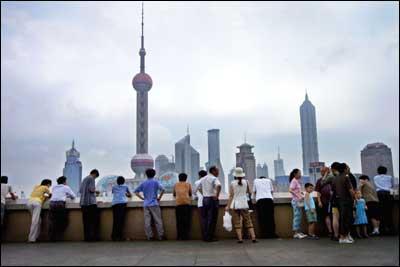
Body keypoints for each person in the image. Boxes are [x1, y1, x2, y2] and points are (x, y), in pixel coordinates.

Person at [225, 167, 257, 243]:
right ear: (242, 175)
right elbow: (249, 192)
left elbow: (231, 196)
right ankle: (253, 238)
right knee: (248, 221)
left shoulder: (232, 183)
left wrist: (228, 206)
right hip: (244, 204)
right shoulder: (246, 182)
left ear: (235, 175)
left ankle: (240, 239)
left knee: (237, 222)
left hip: (235, 205)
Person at [134, 168, 166, 241]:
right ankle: (161, 235)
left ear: (146, 174)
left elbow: (136, 192)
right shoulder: (156, 182)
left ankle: (150, 236)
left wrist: (142, 198)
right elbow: (163, 189)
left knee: (147, 221)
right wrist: (159, 198)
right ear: (154, 174)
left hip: (146, 204)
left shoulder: (143, 183)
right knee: (158, 220)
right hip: (154, 203)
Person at [332, 163, 355, 244]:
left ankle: (344, 237)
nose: (348, 169)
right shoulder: (346, 178)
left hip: (338, 200)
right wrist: (354, 198)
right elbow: (351, 191)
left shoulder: (335, 178)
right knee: (346, 219)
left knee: (342, 218)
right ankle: (343, 237)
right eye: (347, 167)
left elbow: (332, 191)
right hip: (346, 200)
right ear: (345, 169)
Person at [198, 166, 221, 242]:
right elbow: (219, 185)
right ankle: (210, 237)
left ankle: (205, 236)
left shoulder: (203, 178)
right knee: (212, 219)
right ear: (213, 171)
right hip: (212, 199)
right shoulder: (214, 178)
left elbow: (198, 187)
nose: (218, 172)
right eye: (217, 171)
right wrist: (217, 196)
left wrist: (204, 194)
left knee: (205, 218)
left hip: (205, 199)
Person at [48, 176, 76, 241]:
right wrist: (67, 195)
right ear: (64, 181)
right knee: (63, 220)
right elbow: (73, 196)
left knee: (52, 220)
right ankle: (59, 236)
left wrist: (65, 195)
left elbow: (56, 194)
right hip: (60, 204)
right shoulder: (66, 187)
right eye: (66, 181)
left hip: (52, 204)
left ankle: (51, 238)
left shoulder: (54, 187)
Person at [79, 169, 100, 242]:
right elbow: (91, 189)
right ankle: (93, 238)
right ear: (95, 174)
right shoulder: (91, 178)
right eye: (96, 177)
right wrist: (97, 191)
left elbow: (80, 190)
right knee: (93, 221)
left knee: (86, 222)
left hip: (83, 203)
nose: (95, 178)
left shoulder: (84, 179)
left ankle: (87, 238)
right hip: (90, 203)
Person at [373, 166, 395, 235]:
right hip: (388, 194)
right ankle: (391, 230)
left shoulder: (375, 177)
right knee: (389, 212)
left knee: (381, 212)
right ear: (386, 171)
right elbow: (392, 186)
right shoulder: (390, 177)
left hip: (379, 194)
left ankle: (382, 230)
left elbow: (376, 185)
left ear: (378, 171)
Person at [111, 176, 132, 241]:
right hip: (122, 204)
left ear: (117, 181)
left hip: (115, 204)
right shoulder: (126, 187)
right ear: (124, 181)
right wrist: (126, 195)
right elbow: (130, 195)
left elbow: (113, 193)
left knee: (115, 220)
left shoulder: (114, 187)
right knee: (121, 221)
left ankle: (114, 236)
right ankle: (119, 237)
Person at [173, 173, 192, 240]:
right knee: (186, 221)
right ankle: (186, 236)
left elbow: (174, 194)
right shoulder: (188, 184)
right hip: (187, 204)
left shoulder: (176, 185)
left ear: (179, 178)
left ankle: (179, 236)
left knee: (179, 221)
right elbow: (190, 194)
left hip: (178, 204)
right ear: (186, 178)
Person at [315, 167, 333, 238]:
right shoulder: (319, 181)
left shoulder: (331, 179)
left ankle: (331, 231)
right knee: (323, 217)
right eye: (321, 171)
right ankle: (326, 231)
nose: (321, 173)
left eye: (323, 171)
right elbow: (318, 192)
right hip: (323, 201)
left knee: (329, 216)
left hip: (330, 201)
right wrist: (319, 201)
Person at [289, 169, 307, 239]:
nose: (300, 174)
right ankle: (296, 233)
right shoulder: (294, 181)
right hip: (296, 201)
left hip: (298, 201)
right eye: (299, 173)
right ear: (295, 174)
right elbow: (290, 190)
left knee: (299, 216)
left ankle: (298, 232)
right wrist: (298, 196)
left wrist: (301, 193)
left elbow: (296, 190)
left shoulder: (296, 181)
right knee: (297, 217)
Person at [193, 170, 208, 240]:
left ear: (199, 175)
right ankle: (209, 235)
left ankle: (204, 236)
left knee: (203, 220)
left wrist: (197, 197)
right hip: (208, 202)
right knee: (209, 219)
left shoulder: (197, 182)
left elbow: (194, 193)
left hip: (200, 203)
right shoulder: (209, 181)